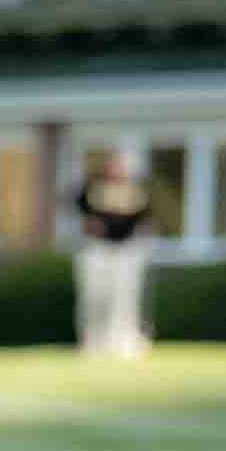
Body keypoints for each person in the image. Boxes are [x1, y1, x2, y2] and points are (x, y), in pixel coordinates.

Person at [70, 147, 156, 361]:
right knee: (95, 296)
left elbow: (144, 217)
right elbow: (78, 208)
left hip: (126, 250)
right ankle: (92, 342)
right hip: (97, 249)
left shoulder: (136, 190)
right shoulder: (92, 188)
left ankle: (124, 341)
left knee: (125, 298)